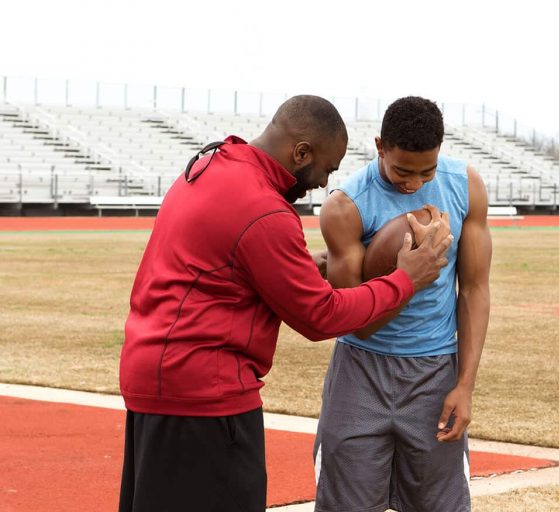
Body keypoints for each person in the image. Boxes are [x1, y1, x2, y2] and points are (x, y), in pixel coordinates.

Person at [118, 95, 452, 512]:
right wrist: (406, 279)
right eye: (326, 169)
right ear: (301, 152)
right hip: (205, 397)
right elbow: (321, 316)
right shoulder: (266, 210)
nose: (322, 183)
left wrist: (301, 266)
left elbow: (221, 267)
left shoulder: (211, 164)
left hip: (155, 382)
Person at [314, 96, 492, 511]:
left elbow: (474, 290)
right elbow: (357, 320)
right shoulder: (345, 206)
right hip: (361, 369)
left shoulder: (466, 185)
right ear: (380, 146)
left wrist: (464, 385)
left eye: (426, 171)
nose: (413, 184)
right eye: (401, 170)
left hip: (435, 373)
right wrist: (410, 277)